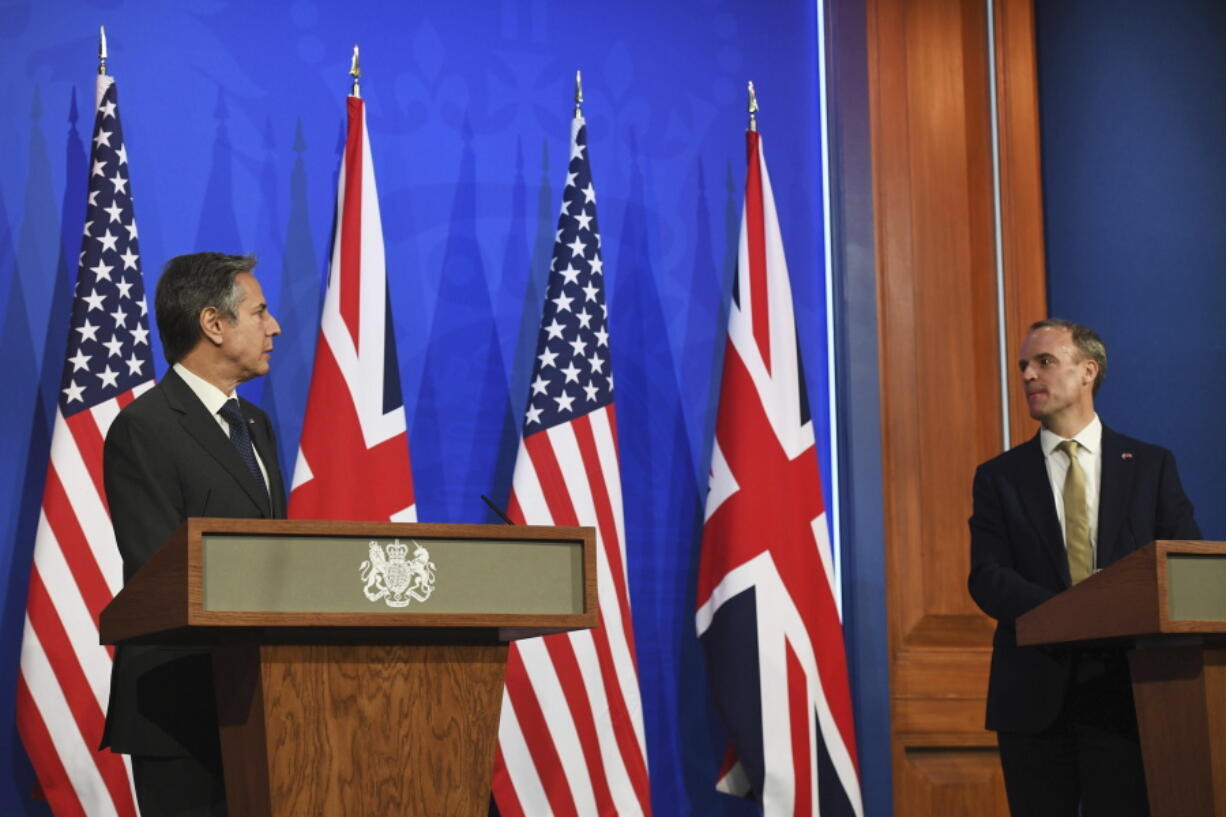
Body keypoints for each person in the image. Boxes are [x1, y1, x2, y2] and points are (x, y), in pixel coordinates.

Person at [968, 318, 1199, 817]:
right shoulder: (998, 478)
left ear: (1087, 371)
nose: (1028, 375)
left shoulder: (1151, 466)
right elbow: (987, 577)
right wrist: (1072, 615)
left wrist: (1106, 615)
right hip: (1031, 700)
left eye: (1044, 362)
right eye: (1024, 365)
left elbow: (1185, 569)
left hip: (1129, 698)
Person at [101, 252, 285, 817]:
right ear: (214, 324)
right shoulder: (145, 428)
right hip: (180, 709)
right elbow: (159, 572)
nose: (273, 326)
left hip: (261, 703)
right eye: (259, 312)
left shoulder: (254, 425)